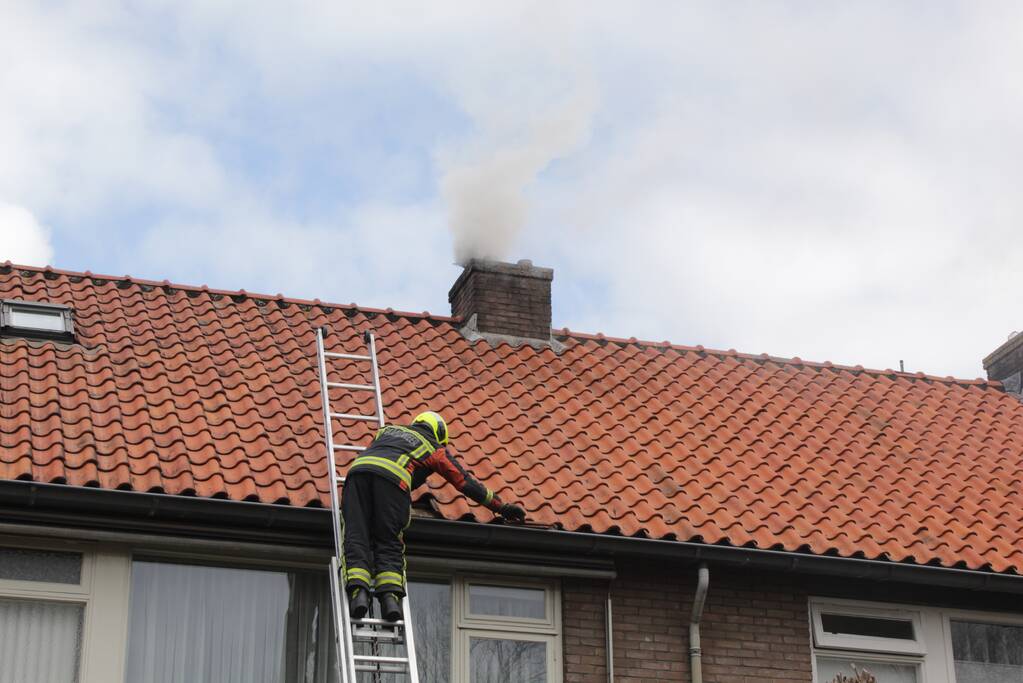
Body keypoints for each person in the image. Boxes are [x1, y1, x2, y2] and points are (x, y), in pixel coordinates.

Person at [341, 410, 526, 621]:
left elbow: (380, 459)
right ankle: (390, 599)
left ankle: (358, 595)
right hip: (393, 482)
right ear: (439, 435)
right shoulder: (433, 446)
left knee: (356, 534)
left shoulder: (386, 431)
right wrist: (501, 507)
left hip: (357, 474)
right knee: (388, 540)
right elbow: (464, 482)